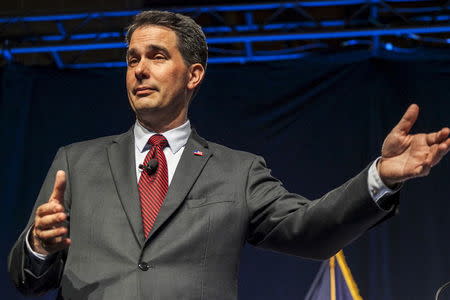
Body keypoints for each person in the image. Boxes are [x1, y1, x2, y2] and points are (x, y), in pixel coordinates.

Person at [8, 10, 450, 300]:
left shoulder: (236, 172)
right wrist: (39, 247)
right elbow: (25, 278)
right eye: (131, 59)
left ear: (194, 74)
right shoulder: (75, 162)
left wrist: (382, 177)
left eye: (157, 56)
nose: (139, 69)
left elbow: (311, 231)